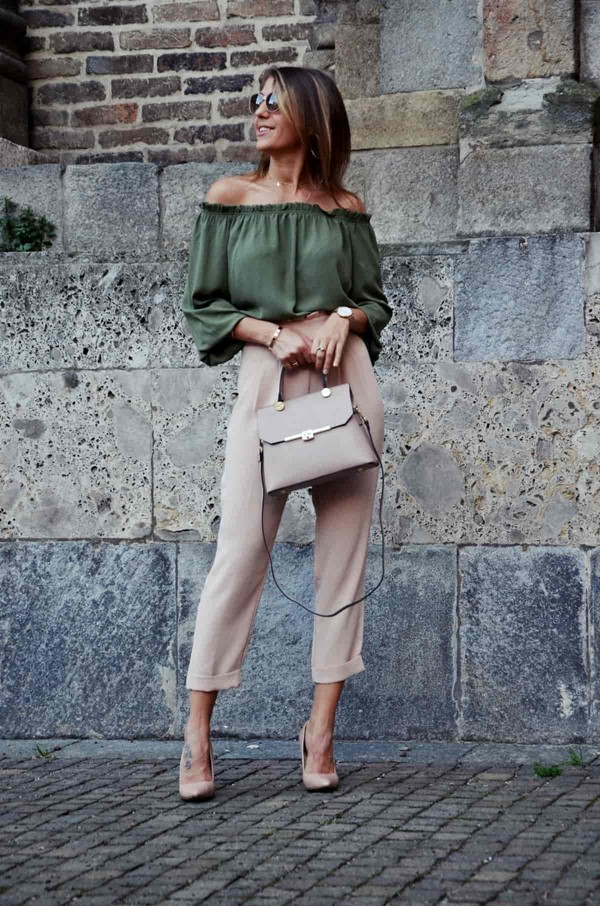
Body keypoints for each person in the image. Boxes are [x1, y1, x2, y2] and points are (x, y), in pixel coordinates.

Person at [178, 65, 392, 800]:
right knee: (239, 553)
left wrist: (344, 318)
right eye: (256, 101)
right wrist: (270, 333)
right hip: (268, 377)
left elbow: (374, 302)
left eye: (275, 100)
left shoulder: (345, 209)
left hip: (344, 380)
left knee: (344, 563)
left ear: (311, 113)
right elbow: (203, 304)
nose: (260, 111)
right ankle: (197, 734)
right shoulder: (229, 199)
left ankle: (320, 731)